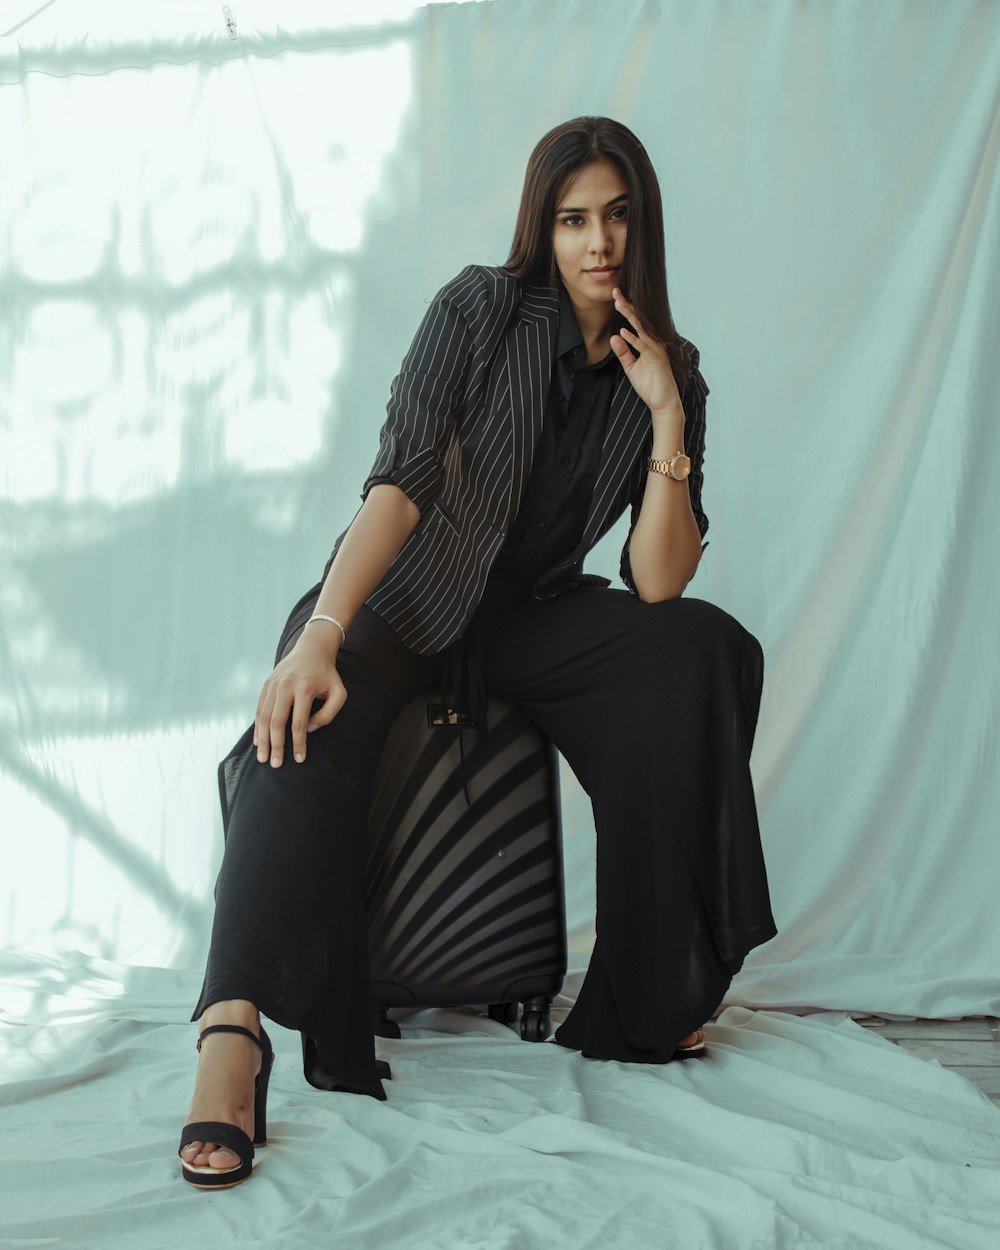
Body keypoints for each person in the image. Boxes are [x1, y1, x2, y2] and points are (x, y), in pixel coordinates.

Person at [178, 116, 778, 1189]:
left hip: (531, 616)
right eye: (574, 219)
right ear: (543, 229)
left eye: (618, 217)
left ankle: (651, 989)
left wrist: (665, 427)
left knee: (695, 645)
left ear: (645, 229)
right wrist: (322, 632)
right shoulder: (479, 308)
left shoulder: (667, 372)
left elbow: (654, 579)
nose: (599, 242)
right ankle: (232, 1026)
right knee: (298, 718)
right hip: (405, 597)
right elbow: (401, 478)